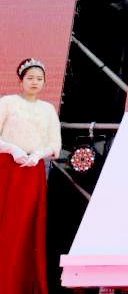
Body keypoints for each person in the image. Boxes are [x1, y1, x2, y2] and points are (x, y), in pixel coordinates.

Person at [0, 58, 62, 294]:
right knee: (5, 223)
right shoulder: (7, 102)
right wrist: (12, 149)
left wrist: (38, 154)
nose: (35, 82)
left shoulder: (48, 109)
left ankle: (21, 284)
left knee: (26, 227)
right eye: (30, 78)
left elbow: (55, 144)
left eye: (39, 79)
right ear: (21, 80)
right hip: (7, 167)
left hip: (32, 170)